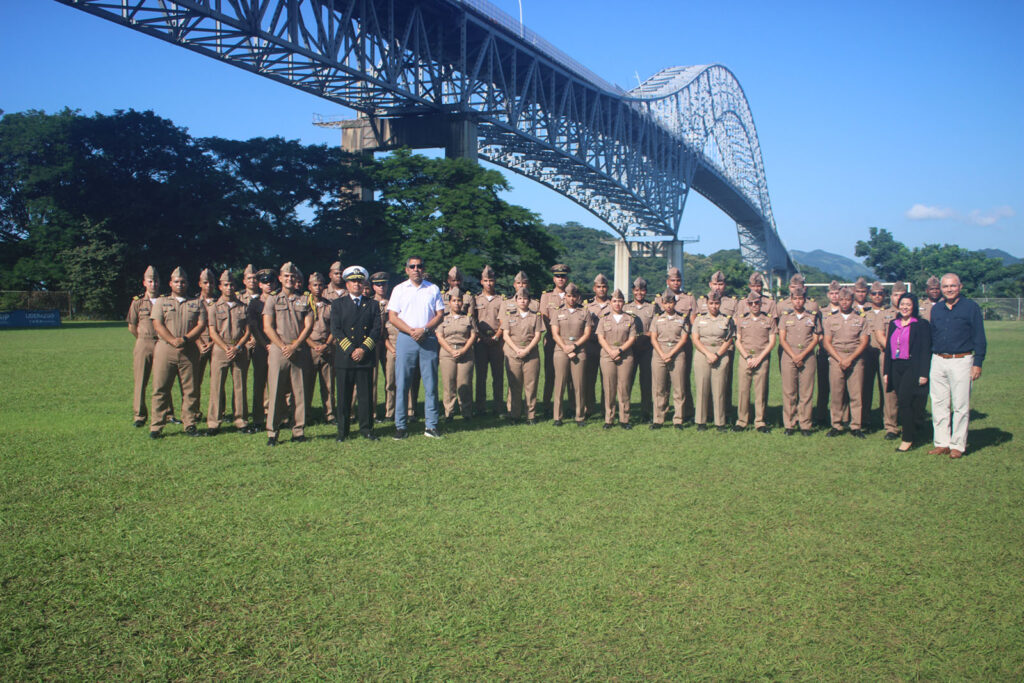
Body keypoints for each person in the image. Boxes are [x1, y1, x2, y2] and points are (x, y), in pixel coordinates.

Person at [928, 273, 986, 458]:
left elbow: (979, 337)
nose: (949, 289)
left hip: (961, 360)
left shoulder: (971, 308)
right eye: (945, 287)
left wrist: (978, 362)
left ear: (960, 286)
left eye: (952, 286)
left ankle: (957, 445)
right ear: (941, 289)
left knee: (960, 405)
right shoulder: (936, 309)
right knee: (938, 403)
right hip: (938, 359)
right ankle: (942, 442)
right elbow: (932, 335)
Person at [388, 256, 446, 439]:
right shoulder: (399, 290)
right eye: (412, 266)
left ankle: (431, 425)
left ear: (423, 269)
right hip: (406, 339)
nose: (416, 269)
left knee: (430, 384)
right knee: (402, 383)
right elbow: (392, 316)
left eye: (419, 266)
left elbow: (440, 314)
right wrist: (411, 331)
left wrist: (425, 329)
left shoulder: (433, 288)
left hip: (427, 339)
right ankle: (401, 426)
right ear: (407, 270)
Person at [149, 267, 207, 438]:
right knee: (160, 388)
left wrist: (186, 339)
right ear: (170, 283)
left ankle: (190, 424)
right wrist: (172, 340)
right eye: (176, 282)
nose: (180, 284)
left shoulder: (196, 303)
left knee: (190, 390)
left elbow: (201, 324)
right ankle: (156, 426)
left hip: (188, 350)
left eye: (182, 282)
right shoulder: (161, 302)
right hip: (165, 349)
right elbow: (157, 324)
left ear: (187, 283)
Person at [263, 262, 314, 446]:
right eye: (286, 276)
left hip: (298, 349)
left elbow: (309, 325)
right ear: (280, 278)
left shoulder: (305, 299)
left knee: (299, 392)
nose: (290, 279)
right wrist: (283, 346)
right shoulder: (272, 299)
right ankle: (272, 432)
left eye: (292, 276)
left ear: (296, 279)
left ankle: (298, 430)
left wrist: (295, 345)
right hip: (279, 350)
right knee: (276, 391)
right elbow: (267, 327)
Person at [331, 266, 381, 442]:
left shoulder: (373, 304)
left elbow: (376, 330)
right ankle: (342, 431)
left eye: (360, 281)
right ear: (347, 283)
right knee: (344, 397)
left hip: (365, 357)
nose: (357, 284)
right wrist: (352, 350)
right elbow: (336, 330)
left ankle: (366, 429)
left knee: (365, 396)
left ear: (364, 283)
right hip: (345, 357)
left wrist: (363, 350)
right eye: (353, 281)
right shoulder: (337, 304)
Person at [883, 294, 932, 452]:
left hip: (912, 366)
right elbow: (889, 349)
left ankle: (907, 439)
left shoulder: (921, 324)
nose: (905, 307)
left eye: (908, 305)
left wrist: (924, 373)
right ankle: (912, 429)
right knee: (902, 400)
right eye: (902, 304)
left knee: (905, 401)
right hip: (896, 366)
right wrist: (886, 371)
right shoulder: (893, 323)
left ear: (914, 307)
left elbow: (925, 350)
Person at [207, 270, 252, 435]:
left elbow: (247, 331)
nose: (229, 288)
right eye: (226, 285)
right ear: (220, 287)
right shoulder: (213, 307)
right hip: (220, 349)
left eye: (232, 285)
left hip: (239, 348)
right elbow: (212, 331)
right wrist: (226, 347)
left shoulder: (243, 307)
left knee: (240, 386)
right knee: (217, 386)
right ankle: (214, 422)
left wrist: (238, 347)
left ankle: (241, 420)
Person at [822, 287, 869, 438]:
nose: (844, 302)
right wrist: (840, 359)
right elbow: (827, 342)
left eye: (848, 299)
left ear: (852, 300)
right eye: (842, 299)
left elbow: (864, 342)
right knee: (836, 393)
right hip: (837, 358)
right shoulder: (830, 319)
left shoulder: (860, 319)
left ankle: (855, 426)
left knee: (856, 394)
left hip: (855, 358)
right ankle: (836, 424)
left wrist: (850, 359)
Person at [778, 286, 821, 436]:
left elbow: (816, 338)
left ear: (805, 300)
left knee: (806, 392)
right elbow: (782, 339)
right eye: (795, 299)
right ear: (791, 300)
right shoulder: (785, 317)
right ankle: (789, 423)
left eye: (801, 299)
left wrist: (802, 356)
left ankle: (805, 424)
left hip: (807, 356)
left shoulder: (813, 316)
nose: (798, 301)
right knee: (789, 391)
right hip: (789, 355)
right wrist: (794, 355)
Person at [691, 291, 734, 431]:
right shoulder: (699, 319)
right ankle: (701, 421)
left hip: (720, 354)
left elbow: (729, 340)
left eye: (716, 303)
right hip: (702, 354)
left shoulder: (726, 319)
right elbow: (695, 339)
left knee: (719, 389)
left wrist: (717, 354)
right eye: (711, 303)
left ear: (720, 304)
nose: (714, 306)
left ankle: (720, 422)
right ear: (707, 304)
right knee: (702, 388)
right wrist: (708, 353)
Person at [550, 283, 592, 427]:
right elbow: (555, 333)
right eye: (569, 296)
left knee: (579, 384)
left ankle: (579, 416)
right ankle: (557, 416)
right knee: (560, 383)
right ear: (565, 297)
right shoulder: (558, 312)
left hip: (579, 350)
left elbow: (587, 334)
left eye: (574, 296)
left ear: (578, 296)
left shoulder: (584, 312)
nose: (572, 298)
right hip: (561, 349)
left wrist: (574, 346)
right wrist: (565, 347)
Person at [734, 293, 777, 433]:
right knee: (743, 390)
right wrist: (747, 357)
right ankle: (742, 421)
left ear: (761, 303)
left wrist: (759, 358)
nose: (754, 305)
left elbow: (772, 342)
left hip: (762, 358)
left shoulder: (768, 320)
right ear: (747, 304)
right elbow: (738, 341)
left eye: (757, 303)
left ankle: (760, 421)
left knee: (761, 391)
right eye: (751, 303)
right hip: (745, 358)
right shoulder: (741, 320)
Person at [127, 265, 164, 427]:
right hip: (144, 342)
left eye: (155, 281)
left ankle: (166, 414)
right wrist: (142, 338)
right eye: (150, 281)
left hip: (162, 343)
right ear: (144, 283)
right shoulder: (138, 302)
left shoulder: (164, 301)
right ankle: (139, 415)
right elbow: (132, 325)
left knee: (163, 380)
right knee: (141, 380)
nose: (153, 284)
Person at [650, 290, 691, 430]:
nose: (668, 306)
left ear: (675, 303)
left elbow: (684, 338)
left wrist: (671, 353)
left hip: (677, 354)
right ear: (662, 304)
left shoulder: (682, 318)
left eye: (671, 302)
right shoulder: (657, 318)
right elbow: (653, 337)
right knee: (659, 388)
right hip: (659, 353)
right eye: (666, 303)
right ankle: (658, 419)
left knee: (679, 388)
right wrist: (662, 353)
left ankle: (678, 419)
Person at [502, 288, 544, 423]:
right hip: (513, 353)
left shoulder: (536, 316)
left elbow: (538, 335)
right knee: (515, 385)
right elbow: (505, 335)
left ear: (529, 300)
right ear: (515, 300)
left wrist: (527, 350)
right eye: (520, 298)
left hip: (531, 354)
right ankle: (514, 415)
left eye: (525, 298)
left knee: (531, 385)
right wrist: (516, 349)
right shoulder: (509, 315)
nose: (522, 301)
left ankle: (530, 415)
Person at [597, 289, 637, 429]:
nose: (617, 303)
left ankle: (624, 418)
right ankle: (609, 418)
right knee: (609, 387)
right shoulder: (604, 318)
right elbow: (600, 337)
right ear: (610, 303)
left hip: (625, 355)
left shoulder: (630, 319)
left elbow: (632, 338)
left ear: (623, 302)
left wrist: (619, 350)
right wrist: (610, 351)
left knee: (624, 387)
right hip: (607, 356)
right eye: (614, 301)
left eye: (620, 301)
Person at [438, 287, 478, 421]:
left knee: (464, 383)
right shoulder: (443, 318)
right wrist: (451, 351)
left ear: (462, 303)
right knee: (449, 384)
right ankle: (449, 412)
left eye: (459, 300)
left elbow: (473, 335)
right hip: (447, 353)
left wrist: (463, 350)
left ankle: (466, 412)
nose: (457, 303)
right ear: (449, 303)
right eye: (454, 300)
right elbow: (439, 336)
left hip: (465, 353)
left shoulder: (468, 319)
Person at [246, 268, 276, 431]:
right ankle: (258, 418)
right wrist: (266, 345)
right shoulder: (255, 303)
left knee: (280, 384)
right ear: (259, 284)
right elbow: (254, 327)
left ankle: (279, 416)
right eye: (264, 282)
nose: (268, 285)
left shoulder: (278, 300)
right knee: (260, 384)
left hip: (277, 346)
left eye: (271, 282)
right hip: (261, 347)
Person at [474, 265, 506, 416]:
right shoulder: (475, 299)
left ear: (495, 281)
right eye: (486, 280)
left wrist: (496, 336)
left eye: (491, 280)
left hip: (496, 341)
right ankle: (480, 408)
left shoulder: (501, 300)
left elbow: (503, 321)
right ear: (481, 282)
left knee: (498, 376)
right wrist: (481, 336)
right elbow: (472, 320)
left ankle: (498, 407)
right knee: (481, 376)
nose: (489, 283)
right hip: (480, 341)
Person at [540, 263, 572, 413]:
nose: (561, 279)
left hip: (570, 341)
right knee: (550, 374)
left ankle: (573, 406)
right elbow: (544, 317)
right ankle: (547, 406)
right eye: (558, 276)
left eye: (563, 276)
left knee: (571, 376)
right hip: (552, 341)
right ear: (554, 278)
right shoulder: (546, 296)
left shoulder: (572, 294)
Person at [305, 272, 335, 425]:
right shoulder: (304, 304)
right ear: (309, 287)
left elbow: (335, 328)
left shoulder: (330, 305)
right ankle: (306, 415)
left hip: (327, 347)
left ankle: (329, 414)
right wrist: (313, 345)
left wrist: (326, 344)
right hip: (309, 347)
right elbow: (299, 328)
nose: (318, 288)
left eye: (320, 285)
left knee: (328, 384)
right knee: (307, 384)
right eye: (314, 285)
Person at [624, 277, 655, 423]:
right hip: (631, 349)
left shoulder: (652, 308)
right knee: (627, 381)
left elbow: (656, 327)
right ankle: (626, 412)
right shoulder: (626, 307)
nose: (639, 293)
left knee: (646, 382)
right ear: (632, 291)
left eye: (642, 290)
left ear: (646, 291)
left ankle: (646, 412)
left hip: (647, 349)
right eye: (636, 290)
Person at [814, 280, 843, 426]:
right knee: (823, 386)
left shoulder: (847, 310)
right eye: (832, 293)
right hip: (824, 353)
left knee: (841, 388)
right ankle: (820, 415)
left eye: (837, 293)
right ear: (827, 295)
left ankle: (842, 416)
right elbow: (818, 333)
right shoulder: (822, 311)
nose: (835, 296)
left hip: (841, 354)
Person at [585, 273, 612, 417]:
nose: (601, 289)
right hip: (591, 346)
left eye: (604, 287)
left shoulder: (613, 304)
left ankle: (605, 409)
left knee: (607, 380)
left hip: (607, 346)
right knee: (589, 379)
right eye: (598, 287)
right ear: (594, 288)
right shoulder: (588, 306)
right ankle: (589, 407)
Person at [370, 271, 391, 422]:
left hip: (390, 344)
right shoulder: (369, 303)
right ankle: (372, 413)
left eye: (383, 284)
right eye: (378, 284)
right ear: (373, 287)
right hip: (373, 344)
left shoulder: (394, 303)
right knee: (372, 380)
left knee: (391, 379)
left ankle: (390, 412)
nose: (381, 287)